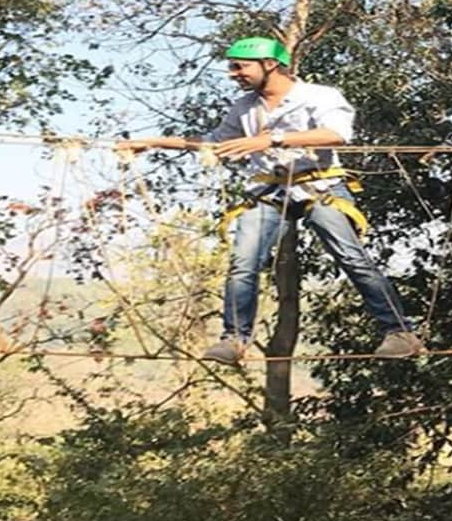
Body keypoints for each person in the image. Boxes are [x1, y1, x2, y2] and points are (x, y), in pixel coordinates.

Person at [116, 36, 424, 363]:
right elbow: (213, 142)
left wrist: (270, 140)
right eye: (232, 67)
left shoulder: (318, 96)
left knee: (352, 258)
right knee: (243, 263)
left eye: (240, 66)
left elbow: (336, 134)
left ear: (270, 65)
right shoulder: (245, 107)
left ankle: (400, 332)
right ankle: (234, 339)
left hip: (319, 186)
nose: (233, 73)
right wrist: (150, 143)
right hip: (269, 190)